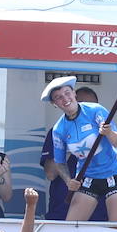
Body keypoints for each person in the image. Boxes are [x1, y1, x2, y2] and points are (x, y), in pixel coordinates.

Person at [42, 76, 117, 223]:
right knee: (71, 228)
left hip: (114, 173)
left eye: (67, 93)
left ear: (74, 93)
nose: (65, 99)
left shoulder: (95, 110)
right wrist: (68, 180)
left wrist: (109, 133)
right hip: (88, 178)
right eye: (58, 97)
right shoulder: (59, 129)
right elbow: (59, 162)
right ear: (54, 103)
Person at [41, 85, 107, 221]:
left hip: (98, 213)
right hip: (63, 211)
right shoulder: (58, 131)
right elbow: (51, 174)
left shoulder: (104, 131)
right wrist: (70, 146)